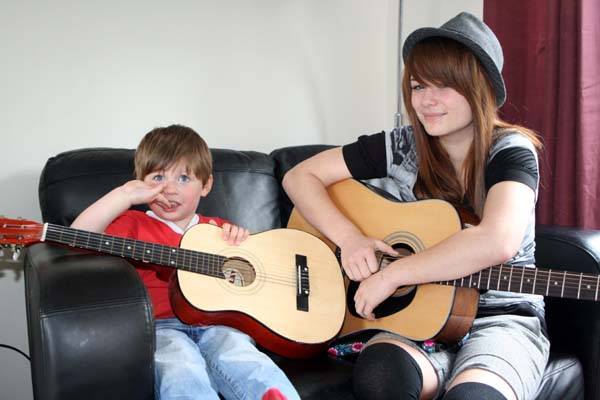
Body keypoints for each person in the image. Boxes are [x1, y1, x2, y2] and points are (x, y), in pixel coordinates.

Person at [283, 12, 548, 400]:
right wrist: (351, 239)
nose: (426, 101)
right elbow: (298, 177)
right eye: (418, 86)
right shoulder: (402, 145)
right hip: (414, 322)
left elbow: (498, 241)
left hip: (499, 321)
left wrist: (392, 274)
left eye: (445, 86)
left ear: (480, 89)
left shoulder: (511, 152)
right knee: (380, 377)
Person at [72, 124, 300, 400]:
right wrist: (124, 196)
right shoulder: (131, 224)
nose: (169, 190)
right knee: (180, 366)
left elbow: (255, 280)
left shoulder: (220, 230)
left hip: (220, 324)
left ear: (206, 185)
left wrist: (242, 247)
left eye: (183, 178)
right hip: (162, 326)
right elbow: (76, 238)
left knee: (243, 357)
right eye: (157, 178)